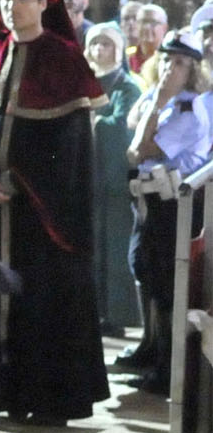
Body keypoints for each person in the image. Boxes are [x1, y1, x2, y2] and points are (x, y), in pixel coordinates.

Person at [0, 0, 111, 427]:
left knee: (40, 300)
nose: (13, 6)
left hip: (43, 214)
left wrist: (21, 181)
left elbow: (70, 145)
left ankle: (44, 396)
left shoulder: (64, 60)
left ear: (43, 4)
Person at [126, 32, 208, 398]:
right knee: (151, 277)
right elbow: (133, 122)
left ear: (193, 71)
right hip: (151, 200)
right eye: (165, 60)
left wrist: (159, 101)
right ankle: (157, 363)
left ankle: (169, 373)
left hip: (174, 204)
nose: (168, 68)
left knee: (170, 287)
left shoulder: (189, 110)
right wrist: (157, 99)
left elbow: (139, 150)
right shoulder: (162, 99)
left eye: (179, 63)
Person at [85, 22, 147, 338]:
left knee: (115, 246)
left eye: (106, 44)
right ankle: (92, 310)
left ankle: (118, 314)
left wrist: (93, 122)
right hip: (89, 179)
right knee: (92, 245)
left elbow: (121, 126)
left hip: (114, 179)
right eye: (95, 43)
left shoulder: (127, 87)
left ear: (118, 49)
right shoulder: (83, 83)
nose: (99, 50)